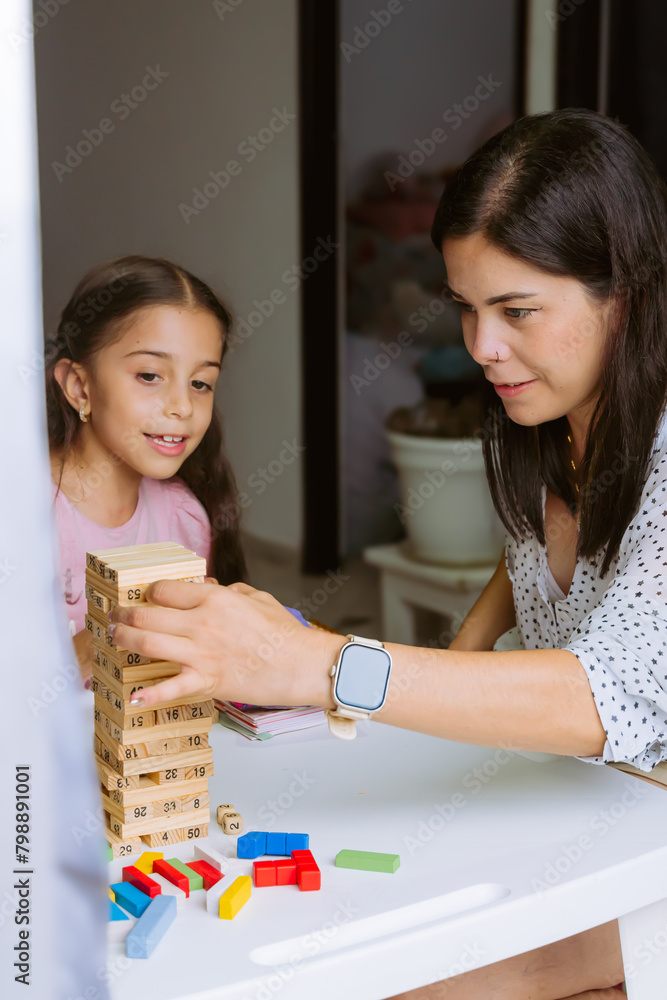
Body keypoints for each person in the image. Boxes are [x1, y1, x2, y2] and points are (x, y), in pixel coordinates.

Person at [107, 109, 667, 997]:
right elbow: (535, 562)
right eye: (469, 309)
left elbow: (604, 697)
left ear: (624, 294)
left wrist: (321, 664)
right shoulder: (549, 425)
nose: (481, 348)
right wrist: (455, 660)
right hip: (577, 803)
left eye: (517, 311)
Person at [46, 255, 247, 679]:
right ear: (80, 386)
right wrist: (94, 645)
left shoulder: (185, 520)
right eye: (150, 375)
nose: (182, 406)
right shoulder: (21, 514)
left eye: (200, 383)